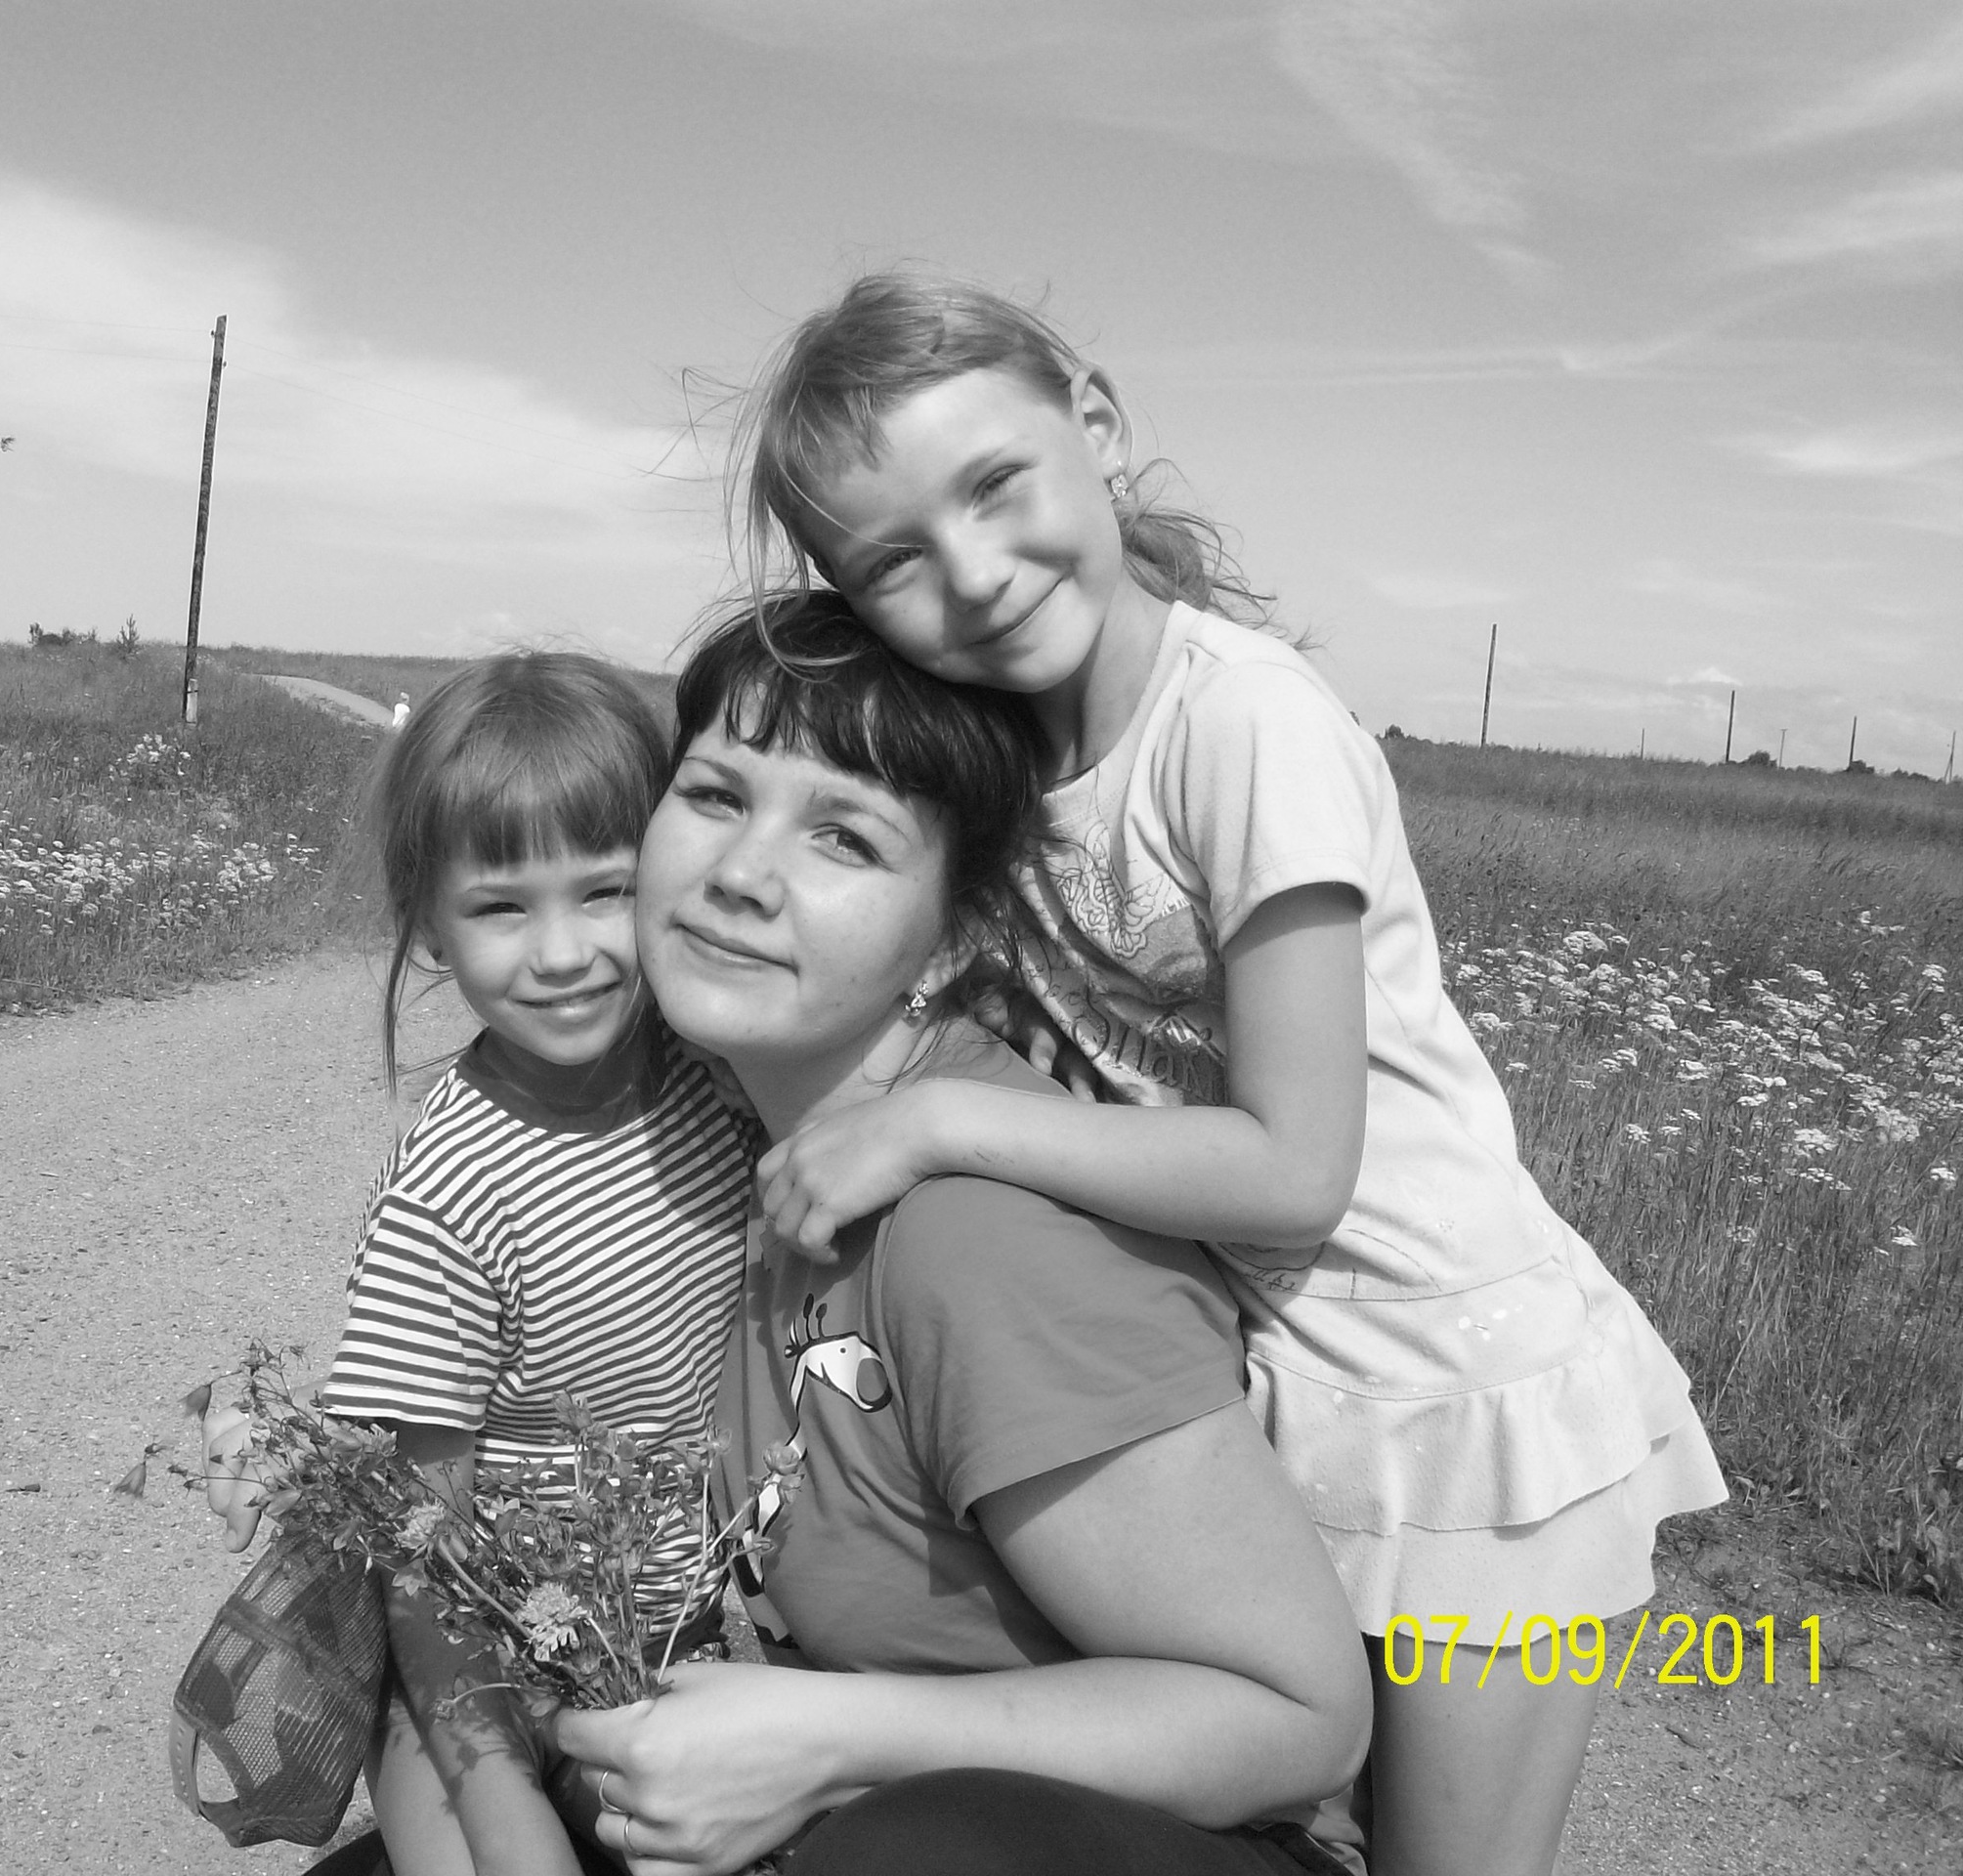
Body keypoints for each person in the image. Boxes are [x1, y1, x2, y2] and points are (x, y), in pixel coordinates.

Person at [727, 273, 1728, 1876]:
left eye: (996, 484)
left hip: (1453, 1393)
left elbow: (1293, 1168)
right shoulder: (1021, 753)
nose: (974, 572)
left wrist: (931, 1123)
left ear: (1099, 426)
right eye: (895, 560)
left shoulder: (1242, 725)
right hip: (1280, 1379)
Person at [552, 596, 1374, 1876]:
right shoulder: (746, 1134)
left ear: (960, 935)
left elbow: (1297, 1721)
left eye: (845, 837)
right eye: (714, 795)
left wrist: (828, 1743)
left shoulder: (974, 1235)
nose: (740, 874)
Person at [211, 651, 756, 1876]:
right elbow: (424, 1548)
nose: (562, 953)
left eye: (607, 890)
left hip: (675, 1634)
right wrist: (499, 1794)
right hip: (480, 1650)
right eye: (503, 907)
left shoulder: (717, 1077)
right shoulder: (453, 1190)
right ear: (428, 921)